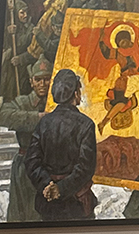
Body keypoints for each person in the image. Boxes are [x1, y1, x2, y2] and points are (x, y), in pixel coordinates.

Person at [25, 67, 98, 221]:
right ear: (75, 94)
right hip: (77, 203)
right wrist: (61, 189)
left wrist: (47, 185)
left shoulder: (43, 123)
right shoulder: (86, 124)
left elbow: (31, 162)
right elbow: (86, 167)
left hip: (47, 203)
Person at [0, 57, 52, 222]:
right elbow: (2, 115)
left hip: (50, 166)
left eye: (46, 79)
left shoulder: (57, 103)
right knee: (22, 213)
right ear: (31, 81)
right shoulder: (22, 102)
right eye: (38, 79)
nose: (42, 84)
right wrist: (37, 118)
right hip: (25, 165)